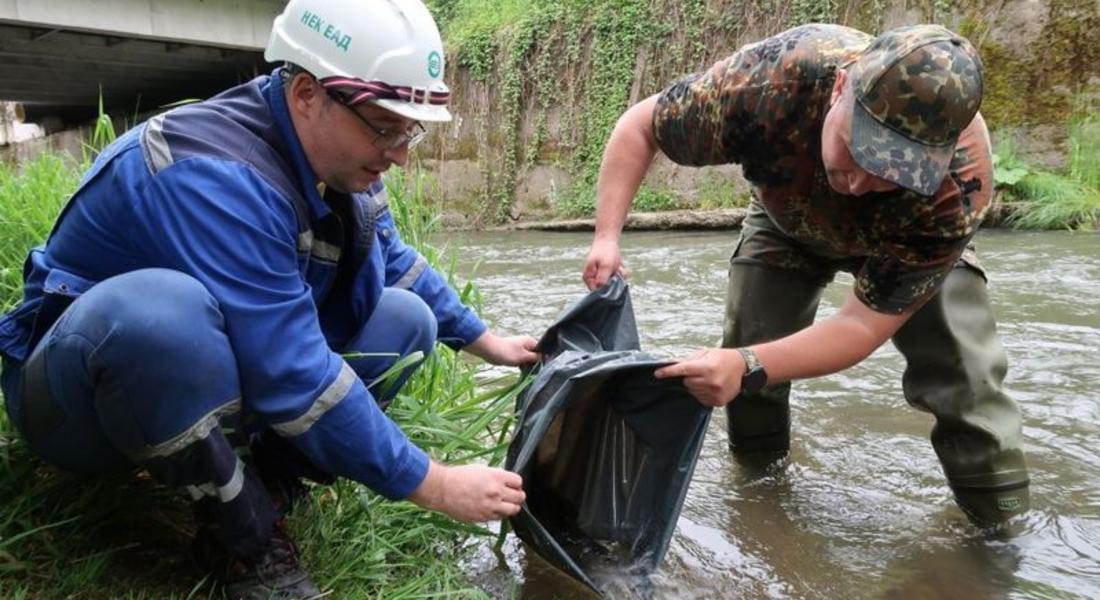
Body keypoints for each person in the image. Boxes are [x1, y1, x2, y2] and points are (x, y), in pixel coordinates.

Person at [0, 0, 537, 597]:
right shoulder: (215, 173)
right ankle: (243, 539)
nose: (401, 153)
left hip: (201, 370)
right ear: (307, 93)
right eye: (385, 127)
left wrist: (490, 343)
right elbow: (293, 373)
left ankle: (266, 484)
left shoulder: (335, 161)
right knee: (161, 314)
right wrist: (434, 482)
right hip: (77, 403)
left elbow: (397, 263)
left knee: (406, 320)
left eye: (408, 130)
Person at [582, 23, 1029, 526]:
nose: (859, 182)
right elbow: (640, 127)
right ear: (840, 89)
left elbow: (860, 328)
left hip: (898, 240)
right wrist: (606, 237)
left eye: (892, 171)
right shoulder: (770, 84)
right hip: (786, 221)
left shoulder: (958, 185)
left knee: (962, 373)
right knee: (748, 350)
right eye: (858, 148)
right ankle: (759, 500)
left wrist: (749, 363)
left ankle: (999, 530)